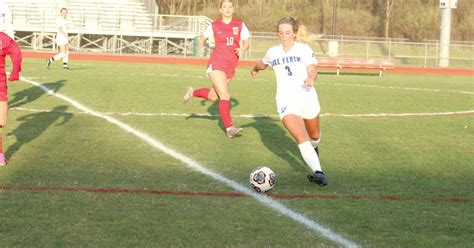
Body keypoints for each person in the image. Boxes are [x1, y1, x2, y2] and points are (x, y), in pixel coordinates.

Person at [250, 16, 327, 186]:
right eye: (280, 33)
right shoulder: (273, 52)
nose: (283, 35)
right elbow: (263, 63)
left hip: (307, 97)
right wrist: (255, 68)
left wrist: (311, 78)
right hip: (286, 101)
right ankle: (319, 173)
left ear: (294, 33)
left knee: (314, 136)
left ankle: (314, 150)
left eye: (287, 32)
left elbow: (312, 69)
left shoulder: (303, 49)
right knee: (301, 136)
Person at [183, 0, 250, 138]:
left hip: (231, 66)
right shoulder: (214, 25)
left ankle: (192, 92)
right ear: (220, 10)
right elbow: (202, 39)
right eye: (224, 7)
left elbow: (247, 41)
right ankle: (230, 129)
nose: (227, 9)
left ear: (233, 9)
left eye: (229, 7)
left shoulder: (240, 24)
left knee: (214, 96)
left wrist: (242, 48)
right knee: (225, 95)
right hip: (217, 64)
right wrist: (201, 47)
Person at [0, 6, 23, 166]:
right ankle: (0, 154)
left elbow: (16, 52)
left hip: (0, 89)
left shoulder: (3, 39)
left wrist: (15, 71)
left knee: (1, 122)